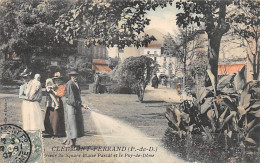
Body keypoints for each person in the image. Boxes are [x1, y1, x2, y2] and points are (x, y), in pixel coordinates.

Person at [63, 69, 87, 147]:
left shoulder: (76, 84)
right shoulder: (70, 84)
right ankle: (71, 143)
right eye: (72, 76)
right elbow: (71, 98)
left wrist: (80, 104)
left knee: (76, 125)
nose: (74, 77)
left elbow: (77, 96)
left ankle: (73, 143)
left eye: (75, 75)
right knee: (72, 124)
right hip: (71, 106)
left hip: (75, 106)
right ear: (70, 76)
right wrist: (81, 104)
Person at [44, 72, 66, 138]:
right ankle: (50, 131)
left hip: (59, 102)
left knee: (57, 117)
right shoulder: (54, 86)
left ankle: (57, 132)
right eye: (56, 80)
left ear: (61, 80)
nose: (57, 81)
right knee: (51, 116)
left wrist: (53, 91)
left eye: (59, 80)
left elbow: (59, 94)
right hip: (52, 104)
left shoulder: (62, 86)